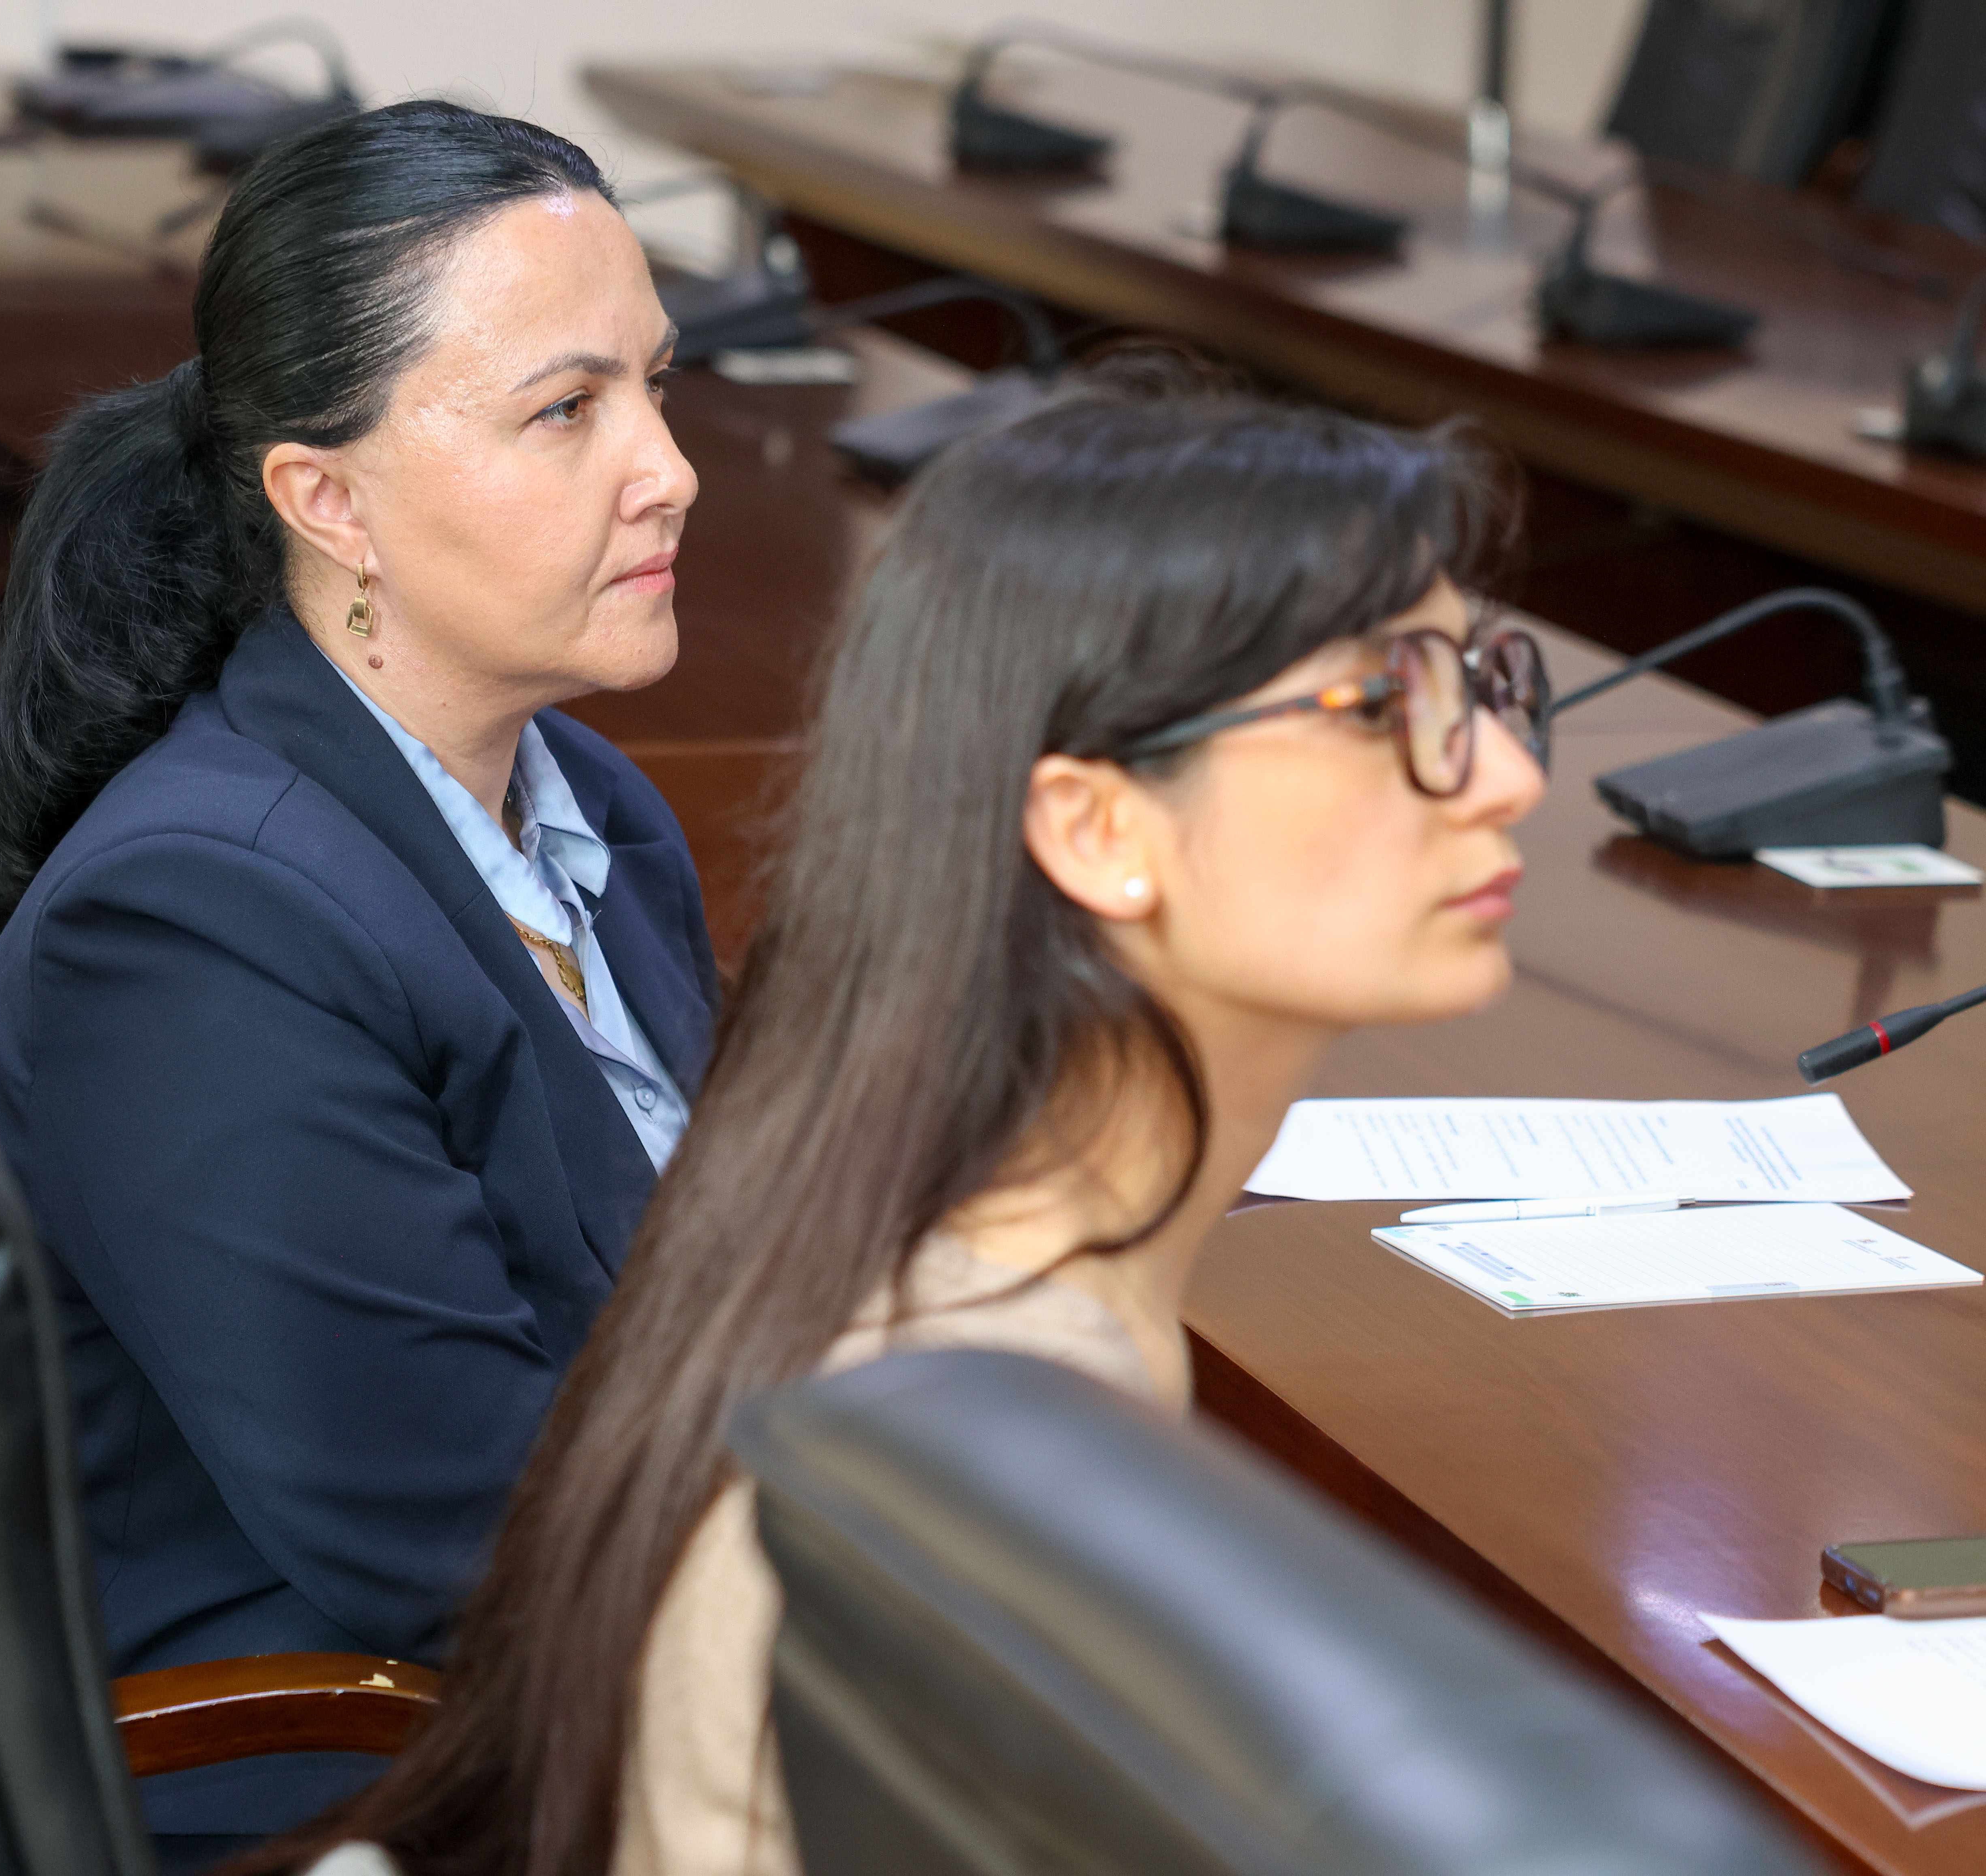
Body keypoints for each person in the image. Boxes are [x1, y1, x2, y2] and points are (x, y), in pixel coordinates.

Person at [250, 372, 1550, 1876]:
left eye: (1481, 683)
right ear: (1098, 828)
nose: (1509, 777)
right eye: (1389, 702)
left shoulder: (903, 1227)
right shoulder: (1003, 1421)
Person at [0, 99, 711, 1862]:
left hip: (610, 1646)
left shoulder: (593, 806)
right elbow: (454, 1548)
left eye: (658, 386)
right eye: (568, 409)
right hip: (343, 1770)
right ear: (327, 499)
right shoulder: (197, 926)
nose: (669, 466)